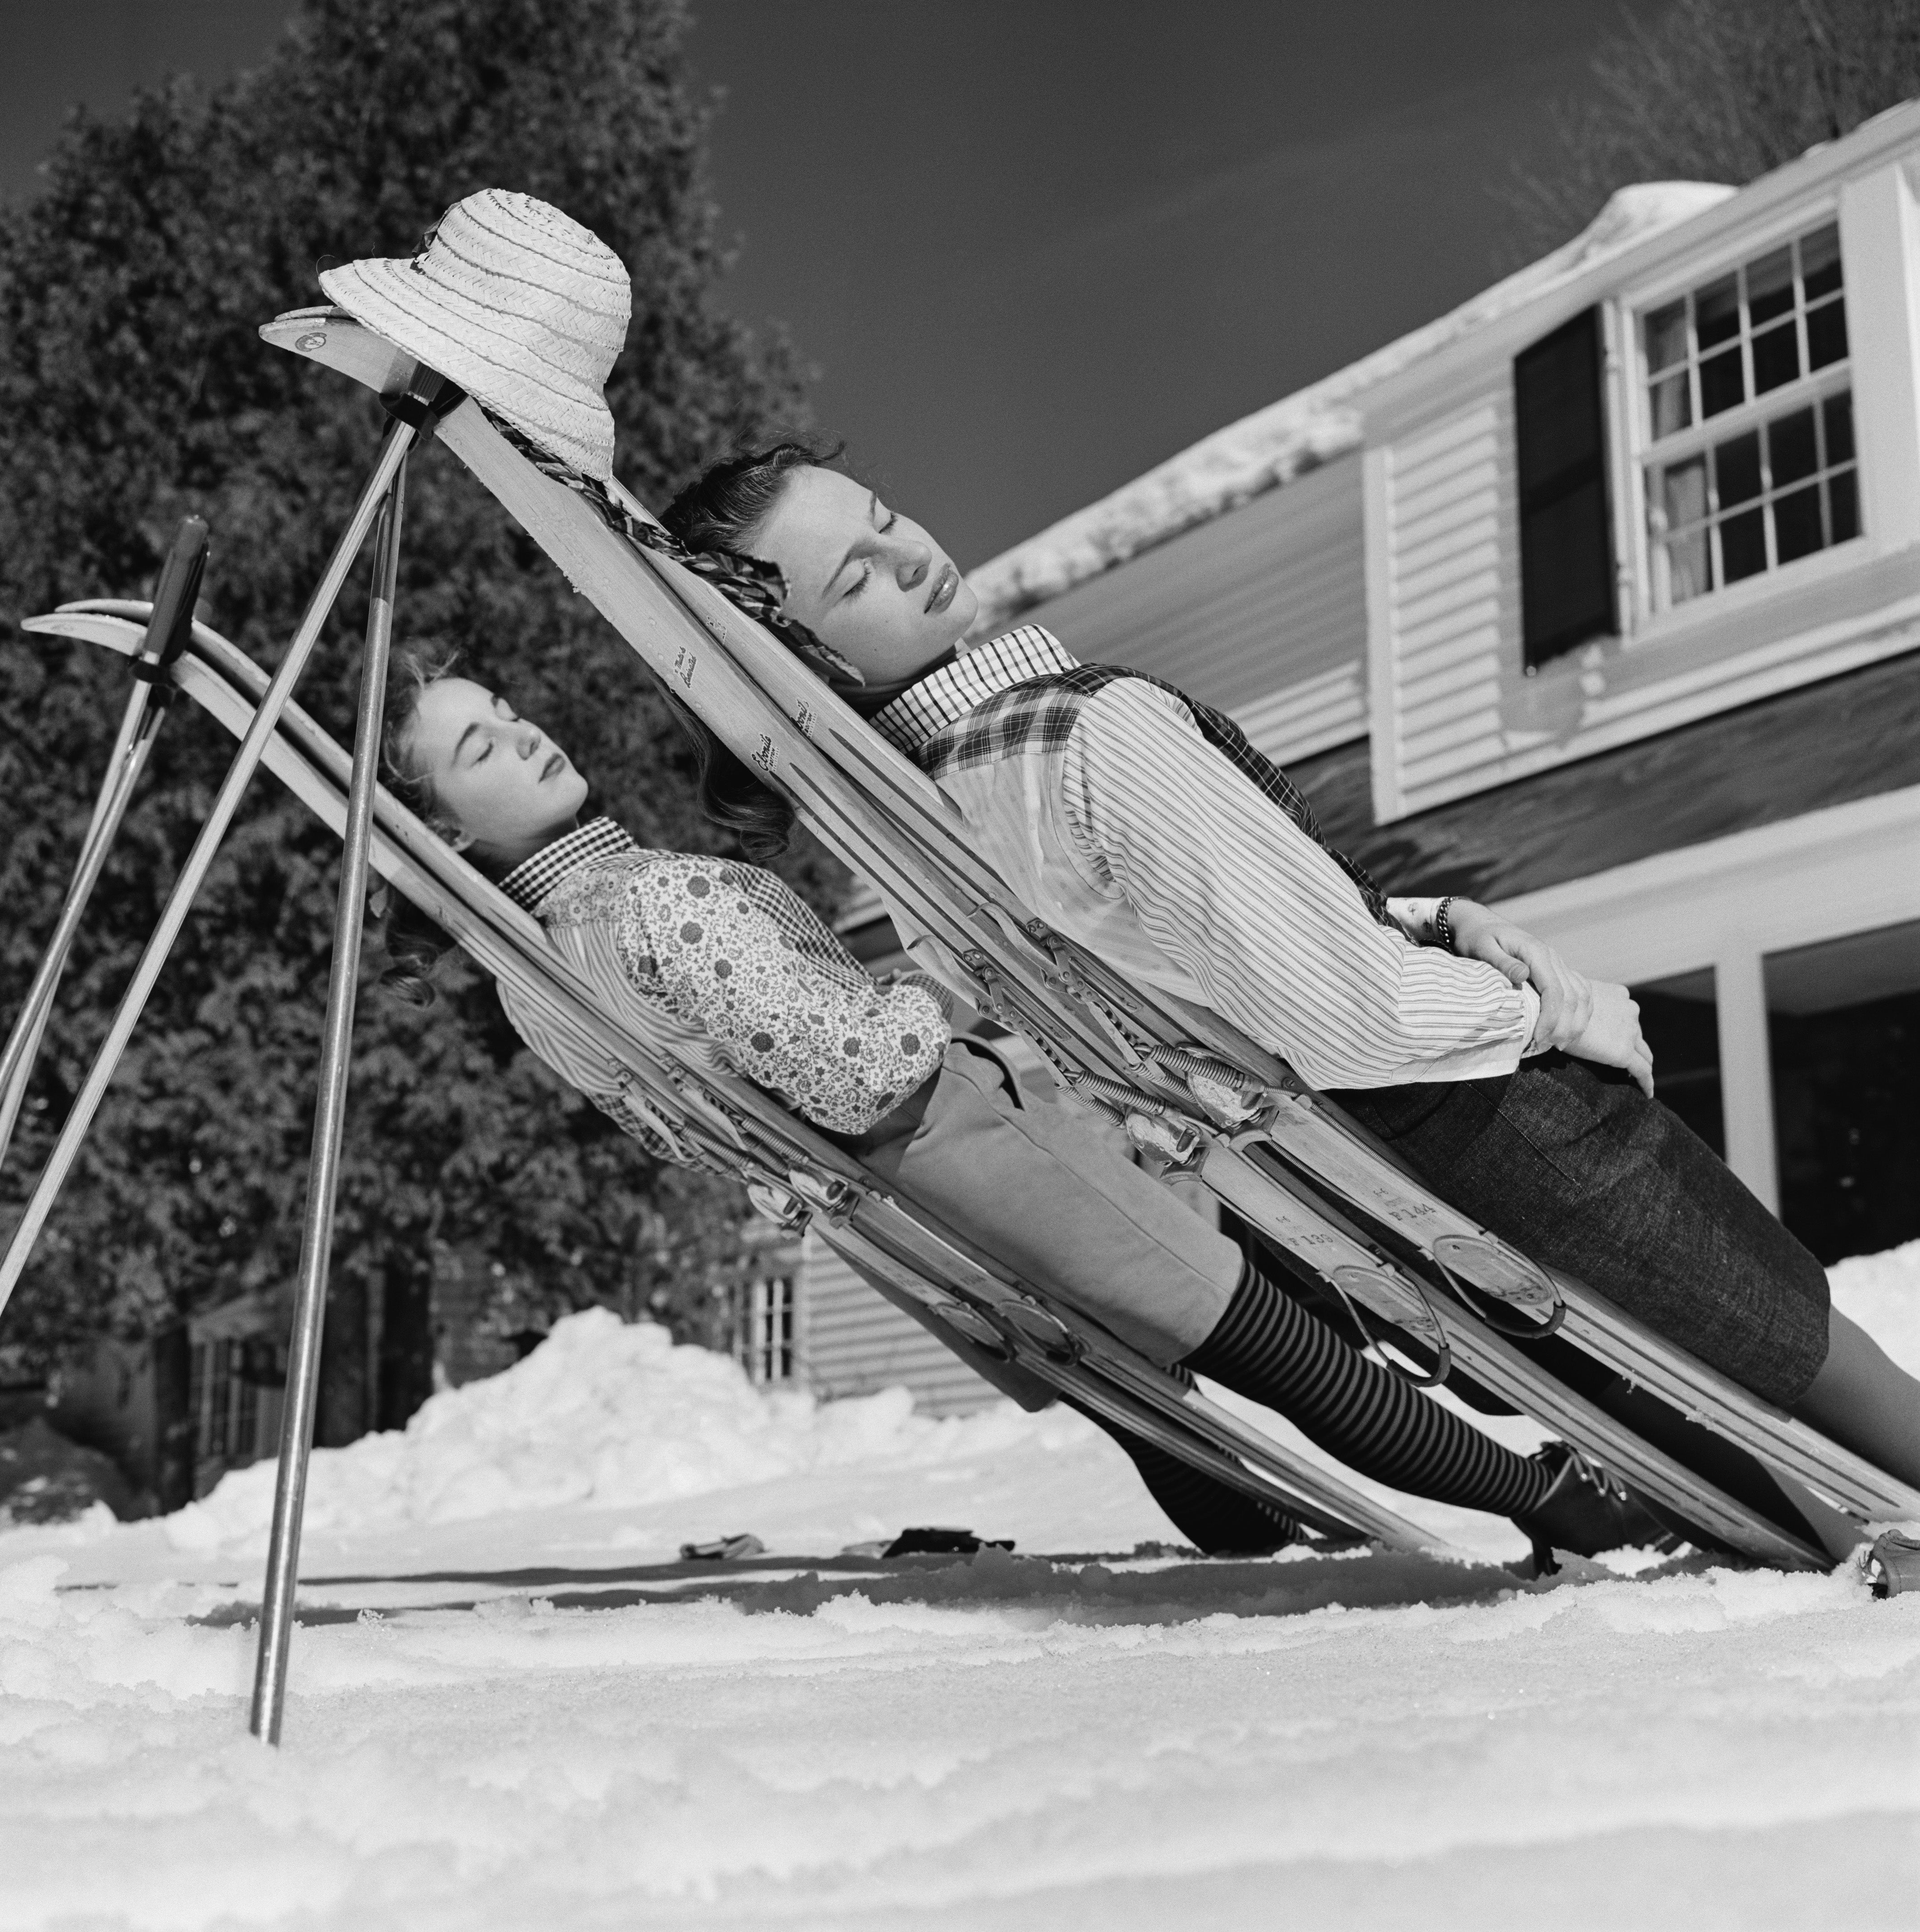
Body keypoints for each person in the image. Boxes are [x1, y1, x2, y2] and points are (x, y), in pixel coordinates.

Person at [657, 444, 1920, 1497]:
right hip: (1472, 1112)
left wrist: (1429, 913)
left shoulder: (936, 817)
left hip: (1345, 1184)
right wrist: (1553, 1010)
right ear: (807, 658)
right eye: (856, 577)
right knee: (1808, 1360)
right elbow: (1348, 1012)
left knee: (1718, 1445)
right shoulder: (1085, 734)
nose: (912, 555)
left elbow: (1192, 957)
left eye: (883, 518)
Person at [371, 646, 1664, 1564]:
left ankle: (1241, 1516)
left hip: (886, 1209)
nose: (527, 731)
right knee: (1269, 1332)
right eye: (478, 746)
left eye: (507, 709)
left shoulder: (541, 976)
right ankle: (1553, 1498)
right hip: (950, 1139)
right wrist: (954, 997)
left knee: (1136, 1362)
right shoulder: (655, 902)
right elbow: (854, 1065)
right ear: (445, 832)